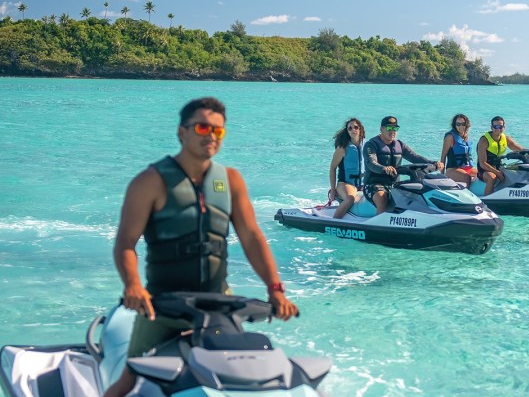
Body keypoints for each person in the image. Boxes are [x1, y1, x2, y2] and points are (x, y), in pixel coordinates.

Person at [104, 97, 298, 397]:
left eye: (219, 131)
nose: (211, 136)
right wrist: (133, 286)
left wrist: (275, 289)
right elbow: (125, 244)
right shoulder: (150, 182)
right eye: (203, 127)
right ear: (182, 132)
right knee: (128, 380)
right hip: (163, 305)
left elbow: (252, 237)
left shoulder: (231, 180)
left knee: (245, 375)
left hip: (219, 302)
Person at [363, 116, 444, 214]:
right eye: (389, 128)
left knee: (416, 192)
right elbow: (371, 163)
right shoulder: (371, 144)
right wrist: (383, 168)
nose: (393, 131)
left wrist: (433, 163)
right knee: (382, 197)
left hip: (394, 184)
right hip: (374, 184)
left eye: (395, 128)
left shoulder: (400, 145)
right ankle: (378, 226)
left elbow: (414, 157)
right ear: (381, 129)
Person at [476, 115, 529, 195]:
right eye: (496, 126)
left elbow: (521, 150)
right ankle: (486, 202)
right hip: (484, 170)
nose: (498, 129)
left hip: (499, 167)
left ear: (504, 127)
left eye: (500, 126)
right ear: (491, 128)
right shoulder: (484, 141)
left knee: (519, 171)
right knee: (492, 178)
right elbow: (482, 163)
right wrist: (498, 173)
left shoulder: (505, 138)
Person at [328, 118, 366, 218]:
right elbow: (332, 168)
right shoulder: (342, 148)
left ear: (360, 129)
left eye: (356, 127)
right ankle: (335, 221)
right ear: (347, 131)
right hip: (345, 183)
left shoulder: (367, 145)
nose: (353, 130)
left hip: (362, 184)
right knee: (350, 199)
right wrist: (333, 190)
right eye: (350, 128)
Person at [439, 113, 477, 186]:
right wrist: (442, 175)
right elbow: (443, 156)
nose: (460, 126)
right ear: (454, 125)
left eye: (463, 124)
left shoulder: (467, 137)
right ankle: (466, 196)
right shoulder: (450, 137)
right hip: (453, 170)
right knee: (467, 177)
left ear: (466, 124)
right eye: (458, 124)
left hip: (468, 168)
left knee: (482, 174)